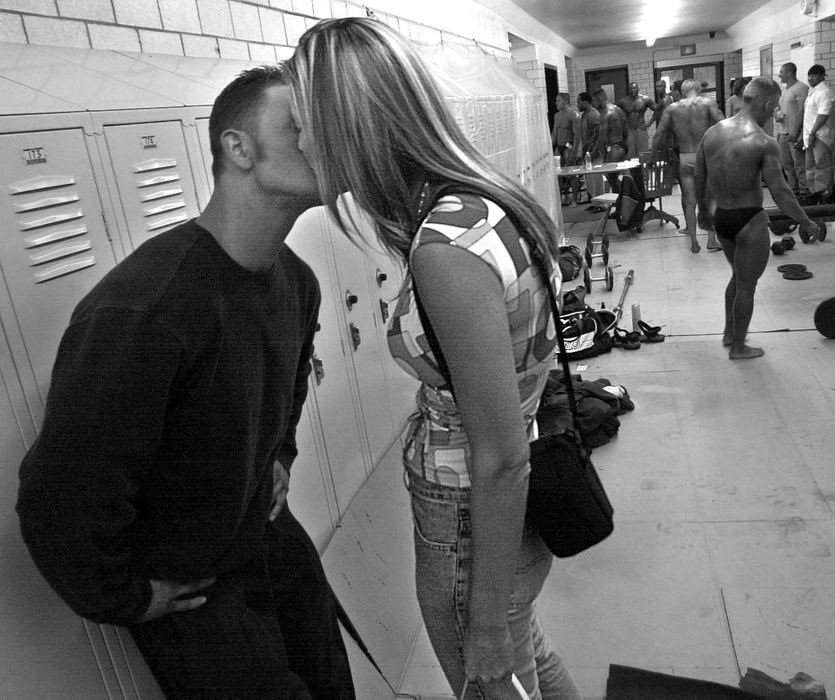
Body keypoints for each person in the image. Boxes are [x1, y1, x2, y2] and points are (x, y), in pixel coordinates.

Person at [16, 66, 356, 699]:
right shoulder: (146, 310)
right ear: (239, 148)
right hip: (194, 594)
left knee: (333, 687)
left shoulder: (296, 280)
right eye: (302, 129)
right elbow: (58, 495)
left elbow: (287, 389)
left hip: (270, 541)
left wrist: (279, 454)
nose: (326, 145)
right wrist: (127, 597)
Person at [283, 17, 582, 700]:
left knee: (500, 665)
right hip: (494, 508)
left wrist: (479, 624)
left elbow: (500, 457)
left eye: (306, 122)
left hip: (468, 519)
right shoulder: (481, 203)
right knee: (527, 648)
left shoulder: (443, 251)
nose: (299, 142)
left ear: (348, 124)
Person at [695, 77, 820, 360]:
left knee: (737, 278)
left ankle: (730, 333)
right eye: (774, 107)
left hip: (723, 218)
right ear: (767, 104)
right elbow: (781, 193)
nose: (774, 112)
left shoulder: (712, 133)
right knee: (747, 287)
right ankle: (739, 347)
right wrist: (806, 221)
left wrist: (704, 213)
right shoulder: (764, 142)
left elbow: (699, 178)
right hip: (749, 220)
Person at [650, 78, 725, 253]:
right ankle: (711, 240)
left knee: (690, 201)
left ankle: (693, 242)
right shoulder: (708, 103)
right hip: (705, 156)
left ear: (682, 92)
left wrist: (653, 158)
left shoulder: (672, 108)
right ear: (698, 89)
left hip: (685, 157)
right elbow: (724, 125)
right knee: (710, 199)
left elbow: (658, 134)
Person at [799, 64, 835, 204]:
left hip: (820, 136)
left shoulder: (825, 92)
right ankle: (813, 195)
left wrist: (813, 132)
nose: (810, 78)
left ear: (822, 76)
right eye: (809, 75)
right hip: (810, 135)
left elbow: (822, 115)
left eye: (814, 75)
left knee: (822, 167)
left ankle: (824, 197)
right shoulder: (812, 91)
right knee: (810, 167)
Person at [775, 63, 809, 196]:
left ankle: (804, 191)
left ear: (789, 72)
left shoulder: (801, 88)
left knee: (799, 165)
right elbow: (778, 108)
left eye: (782, 72)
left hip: (795, 133)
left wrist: (797, 132)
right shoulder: (785, 91)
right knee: (787, 165)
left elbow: (803, 112)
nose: (779, 75)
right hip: (784, 133)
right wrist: (777, 115)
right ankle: (793, 190)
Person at [592, 87, 628, 193]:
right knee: (612, 177)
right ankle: (622, 202)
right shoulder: (618, 110)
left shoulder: (605, 113)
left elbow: (602, 136)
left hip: (615, 147)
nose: (593, 104)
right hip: (621, 145)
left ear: (600, 98)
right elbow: (625, 130)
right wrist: (623, 145)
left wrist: (593, 153)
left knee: (610, 177)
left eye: (594, 100)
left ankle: (626, 200)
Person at [574, 91, 602, 204]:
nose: (577, 105)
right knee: (589, 181)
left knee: (596, 180)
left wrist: (591, 151)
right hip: (587, 154)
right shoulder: (585, 114)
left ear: (585, 102)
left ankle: (601, 204)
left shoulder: (593, 114)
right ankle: (595, 203)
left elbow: (597, 135)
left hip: (595, 153)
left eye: (578, 102)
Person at [552, 92, 579, 205]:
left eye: (558, 101)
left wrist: (574, 152)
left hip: (569, 146)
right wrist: (550, 148)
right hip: (559, 146)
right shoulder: (557, 116)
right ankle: (560, 199)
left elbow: (577, 135)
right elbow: (555, 133)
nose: (556, 103)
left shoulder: (573, 115)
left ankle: (574, 198)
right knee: (557, 174)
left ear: (565, 101)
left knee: (571, 173)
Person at [617, 81, 657, 157]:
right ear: (628, 90)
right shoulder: (623, 101)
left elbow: (657, 110)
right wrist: (622, 126)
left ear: (638, 89)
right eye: (630, 88)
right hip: (629, 130)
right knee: (630, 154)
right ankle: (633, 169)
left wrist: (649, 123)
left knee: (643, 154)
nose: (632, 90)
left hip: (641, 128)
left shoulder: (645, 99)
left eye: (634, 88)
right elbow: (616, 113)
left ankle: (643, 168)